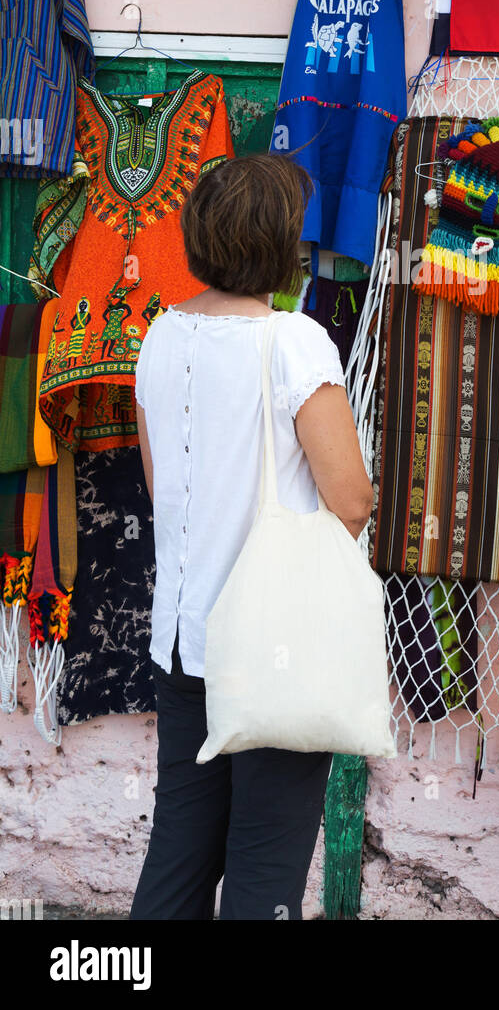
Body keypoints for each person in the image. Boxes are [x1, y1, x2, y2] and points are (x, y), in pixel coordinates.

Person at [129, 152, 374, 921]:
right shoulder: (294, 343)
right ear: (280, 244)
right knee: (265, 874)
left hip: (182, 639)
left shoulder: (159, 337)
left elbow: (160, 485)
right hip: (273, 649)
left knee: (178, 855)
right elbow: (354, 501)